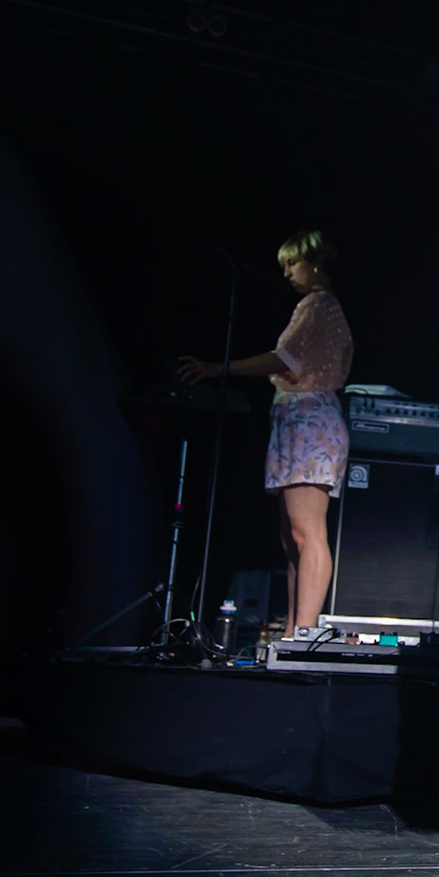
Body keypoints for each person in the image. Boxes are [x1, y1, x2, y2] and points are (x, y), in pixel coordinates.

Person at [178, 230, 352, 632]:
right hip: (296, 421)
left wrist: (217, 367)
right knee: (293, 538)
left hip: (312, 420)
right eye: (284, 266)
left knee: (307, 532)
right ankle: (293, 630)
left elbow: (282, 359)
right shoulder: (312, 307)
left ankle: (304, 632)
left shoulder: (318, 305)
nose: (288, 272)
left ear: (316, 263)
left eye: (293, 263)